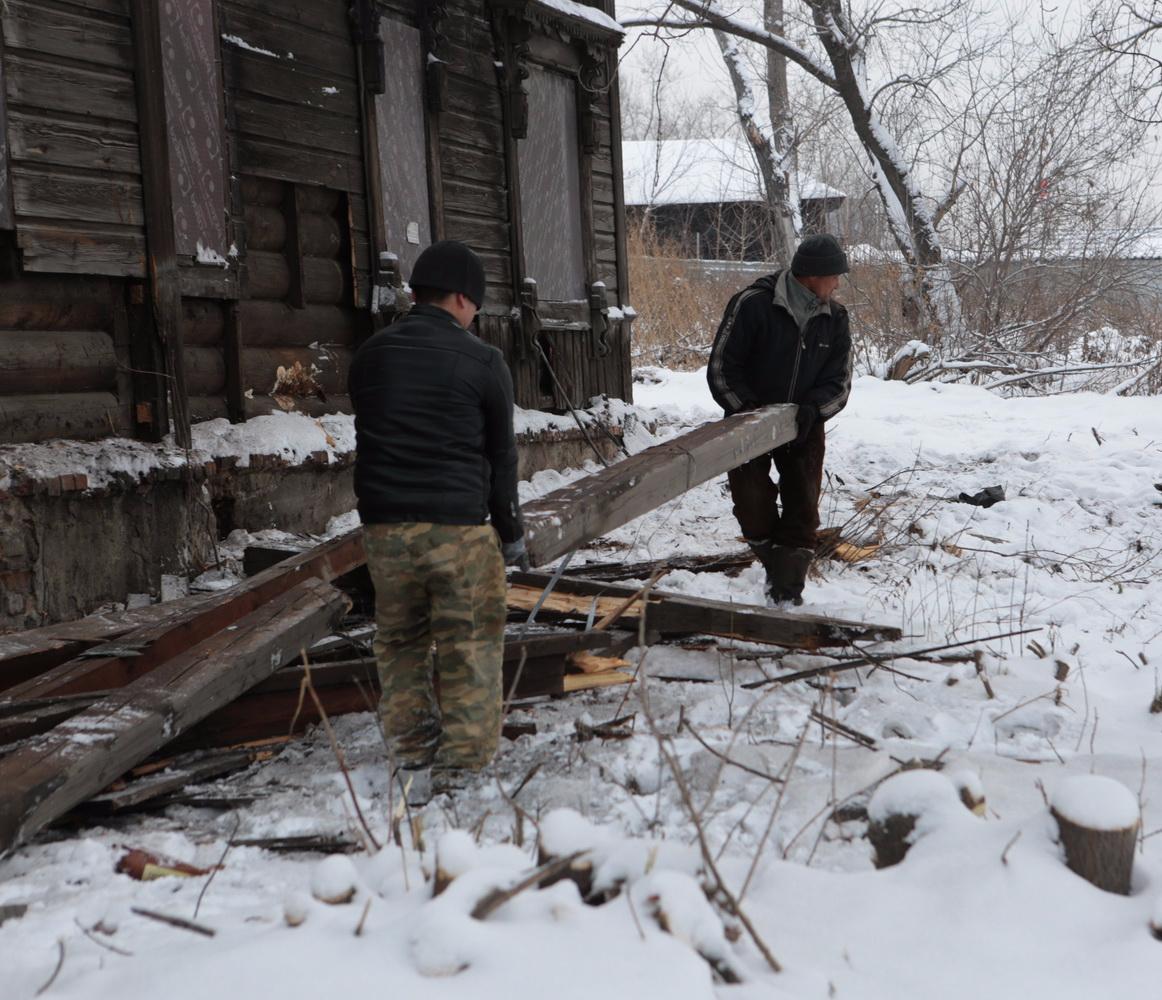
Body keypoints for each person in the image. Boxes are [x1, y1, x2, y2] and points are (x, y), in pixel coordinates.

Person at [349, 240, 527, 804]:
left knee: (399, 641)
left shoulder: (371, 355)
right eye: (474, 304)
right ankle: (464, 765)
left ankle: (411, 747)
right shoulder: (482, 360)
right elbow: (501, 457)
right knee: (468, 641)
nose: (475, 315)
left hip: (382, 532)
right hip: (456, 530)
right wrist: (512, 530)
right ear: (459, 298)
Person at [706, 233, 853, 605]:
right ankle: (777, 566)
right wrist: (747, 413)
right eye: (834, 276)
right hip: (747, 422)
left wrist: (813, 411)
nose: (837, 284)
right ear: (813, 276)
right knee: (752, 506)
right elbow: (722, 368)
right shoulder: (753, 304)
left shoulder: (835, 318)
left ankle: (786, 595)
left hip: (803, 426)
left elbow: (839, 382)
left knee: (803, 512)